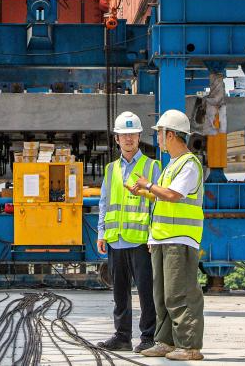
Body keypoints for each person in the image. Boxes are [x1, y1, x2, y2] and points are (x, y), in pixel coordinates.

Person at [132, 109, 205, 361]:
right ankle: (165, 342)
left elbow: (174, 195)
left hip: (179, 240)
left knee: (180, 293)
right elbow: (164, 198)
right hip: (163, 238)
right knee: (162, 295)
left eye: (160, 134)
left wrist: (149, 185)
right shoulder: (172, 165)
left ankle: (189, 346)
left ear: (171, 135)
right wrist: (146, 192)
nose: (158, 139)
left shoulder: (189, 164)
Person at [96, 111, 161, 353]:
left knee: (146, 292)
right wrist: (101, 232)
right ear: (117, 139)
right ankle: (122, 337)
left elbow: (158, 204)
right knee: (119, 293)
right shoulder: (111, 169)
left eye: (132, 134)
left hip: (141, 241)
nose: (129, 139)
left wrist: (154, 235)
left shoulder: (151, 166)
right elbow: (104, 203)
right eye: (124, 135)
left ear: (139, 136)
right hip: (116, 240)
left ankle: (148, 337)